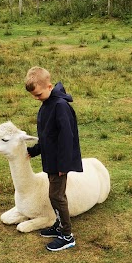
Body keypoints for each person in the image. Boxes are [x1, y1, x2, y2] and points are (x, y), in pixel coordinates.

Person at [25, 66, 83, 251]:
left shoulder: (60, 107)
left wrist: (64, 164)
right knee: (55, 195)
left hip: (60, 162)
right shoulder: (46, 105)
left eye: (38, 94)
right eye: (33, 96)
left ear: (49, 86)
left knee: (57, 196)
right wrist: (34, 151)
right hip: (51, 161)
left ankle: (67, 236)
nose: (36, 98)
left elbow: (67, 138)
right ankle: (59, 225)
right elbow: (47, 136)